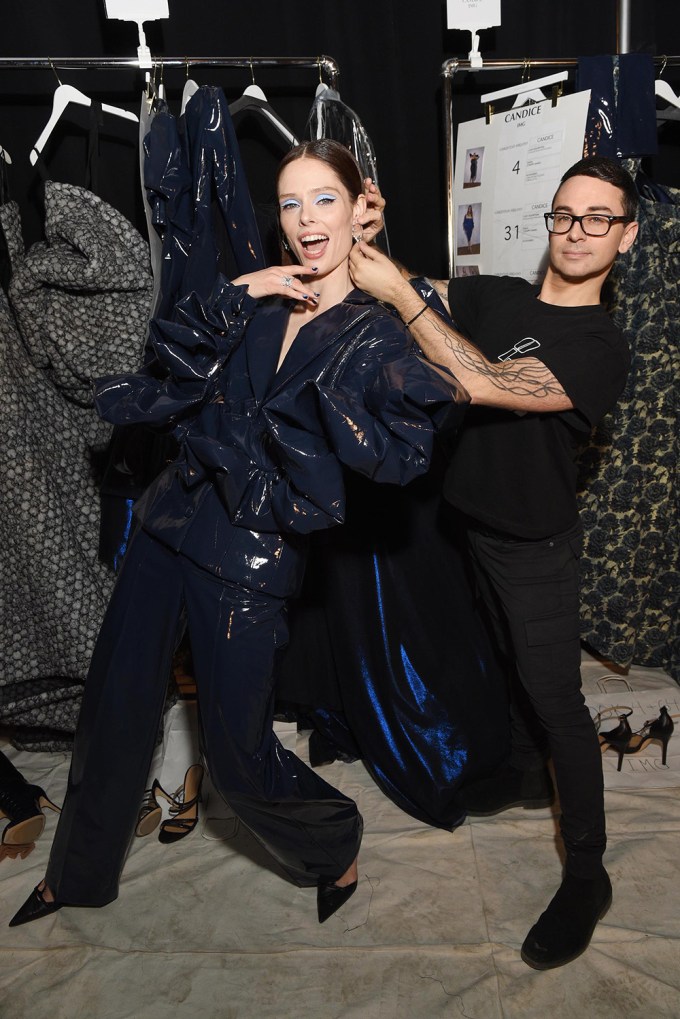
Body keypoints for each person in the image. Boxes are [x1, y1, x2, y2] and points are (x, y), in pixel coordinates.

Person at [9, 139, 467, 929]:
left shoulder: (376, 330)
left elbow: (422, 423)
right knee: (113, 705)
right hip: (170, 519)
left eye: (323, 198)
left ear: (360, 207)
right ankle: (75, 873)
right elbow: (169, 368)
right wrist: (236, 291)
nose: (305, 219)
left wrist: (398, 304)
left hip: (252, 553)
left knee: (236, 754)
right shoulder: (258, 295)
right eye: (289, 203)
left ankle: (333, 841)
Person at [348, 155, 639, 970]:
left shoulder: (601, 344)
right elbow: (423, 296)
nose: (576, 232)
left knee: (558, 702)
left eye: (598, 218)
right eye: (565, 214)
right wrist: (373, 241)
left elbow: (484, 381)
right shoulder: (504, 295)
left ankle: (587, 875)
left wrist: (401, 293)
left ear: (625, 235)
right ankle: (521, 773)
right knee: (504, 660)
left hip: (534, 548)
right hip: (469, 524)